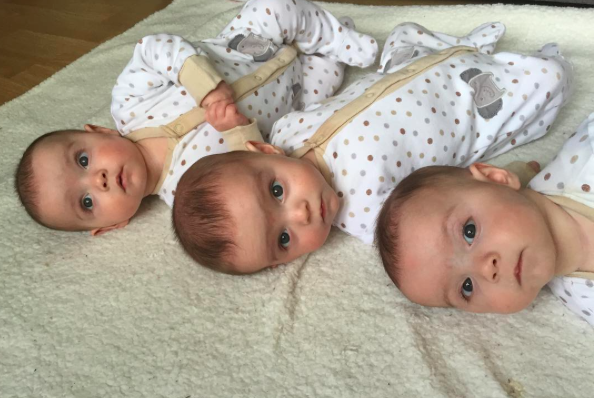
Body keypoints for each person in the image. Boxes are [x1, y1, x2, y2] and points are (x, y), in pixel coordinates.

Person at [172, 21, 573, 274]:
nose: (300, 214)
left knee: (404, 33)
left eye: (277, 191)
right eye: (284, 240)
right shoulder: (374, 218)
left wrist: (234, 129)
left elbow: (245, 151)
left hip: (406, 69)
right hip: (467, 106)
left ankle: (458, 47)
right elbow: (460, 203)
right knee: (549, 78)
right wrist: (514, 178)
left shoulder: (283, 134)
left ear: (266, 154)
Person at [14, 0, 377, 235]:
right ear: (113, 225)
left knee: (277, 6)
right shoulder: (188, 193)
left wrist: (204, 86)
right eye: (87, 202)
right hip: (293, 97)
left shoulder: (129, 104)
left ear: (98, 132)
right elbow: (255, 176)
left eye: (83, 160)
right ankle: (327, 43)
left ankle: (340, 39)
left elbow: (153, 49)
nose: (99, 180)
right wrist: (237, 132)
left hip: (245, 46)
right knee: (320, 106)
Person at [375, 112, 594, 326]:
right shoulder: (583, 299)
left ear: (496, 178)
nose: (486, 270)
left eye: (469, 232)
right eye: (466, 287)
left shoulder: (586, 161)